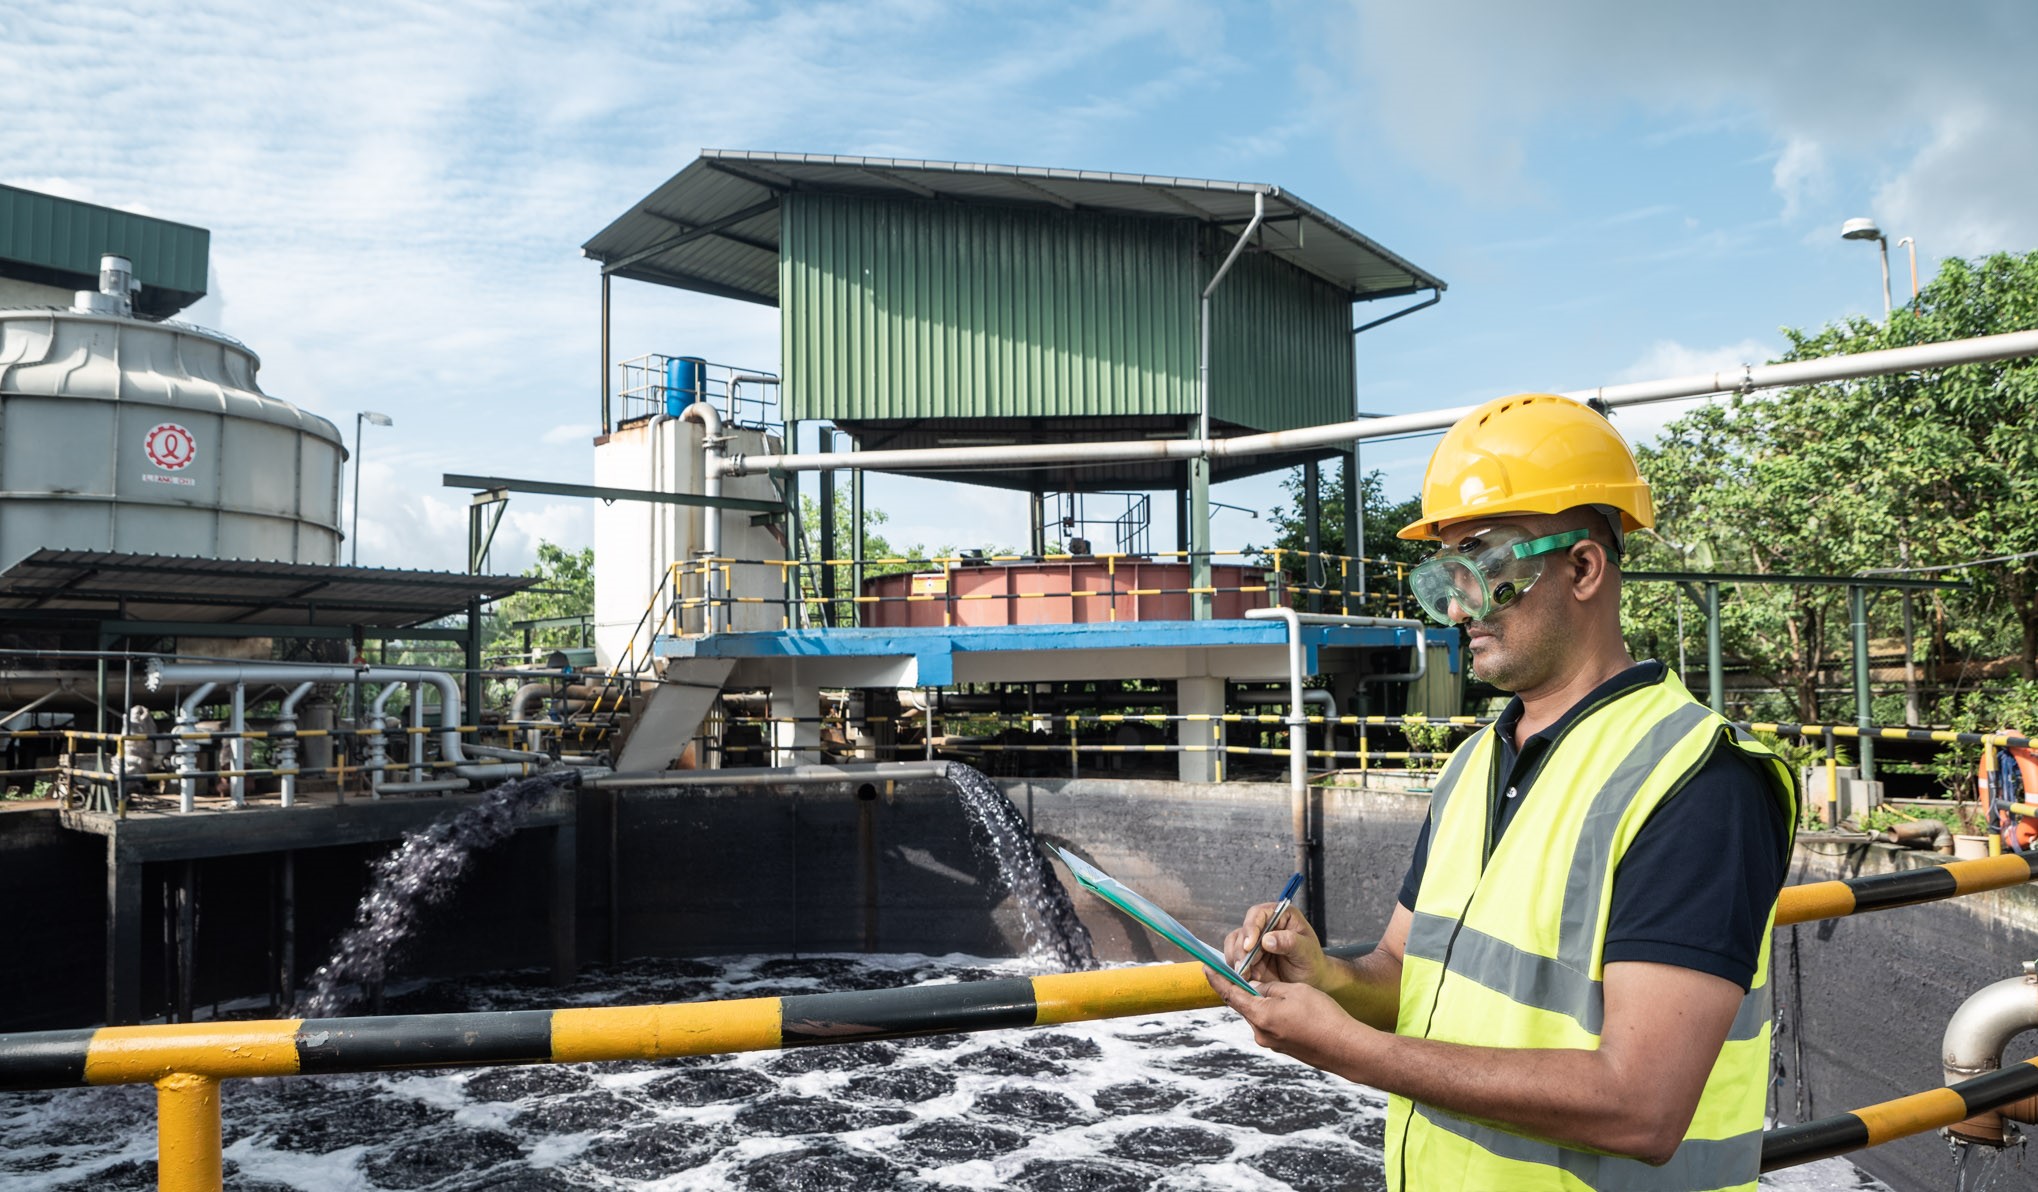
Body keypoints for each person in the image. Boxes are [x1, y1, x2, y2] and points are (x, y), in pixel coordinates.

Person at [1207, 393, 1797, 1191]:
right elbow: (1402, 972)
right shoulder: (1474, 764)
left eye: (1484, 567)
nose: (1457, 607)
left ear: (1584, 567)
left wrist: (1348, 1050)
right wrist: (1328, 979)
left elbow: (1642, 1106)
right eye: (1444, 576)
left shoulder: (1699, 781)